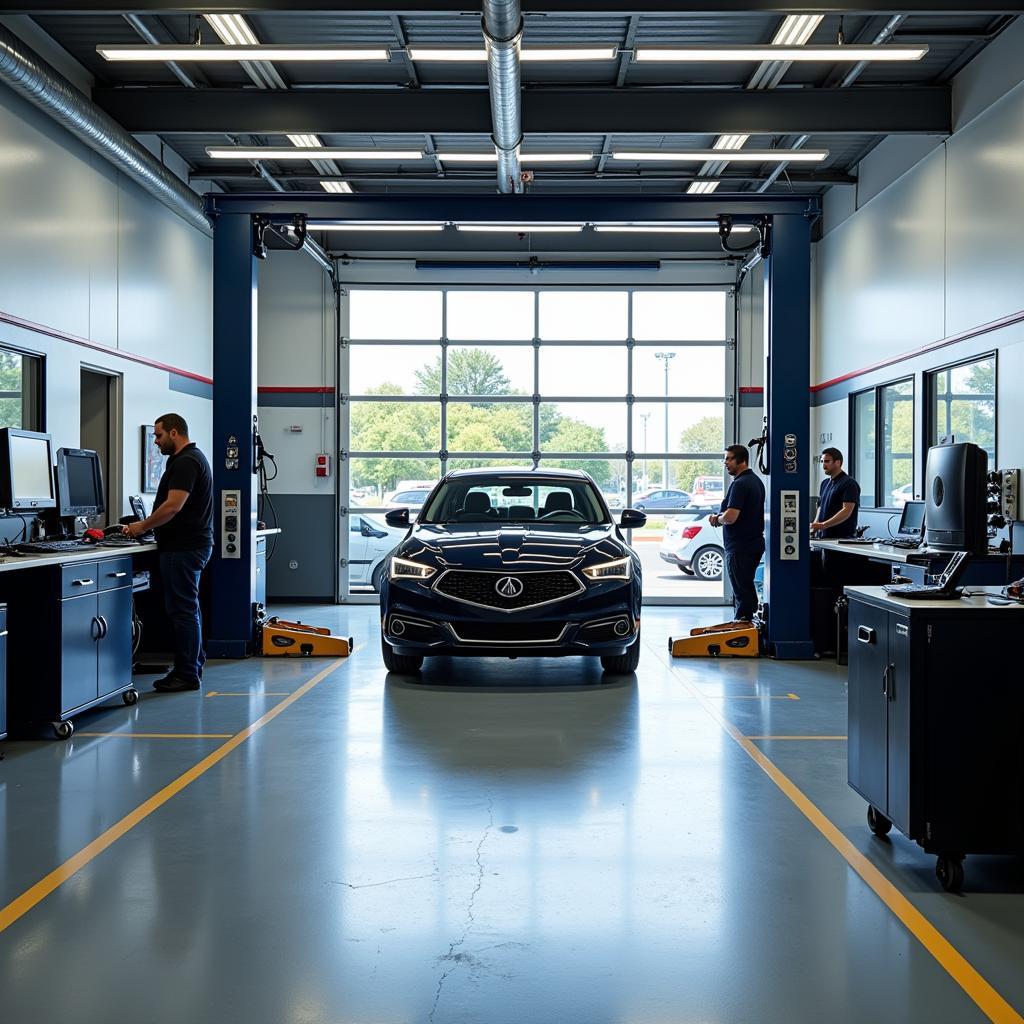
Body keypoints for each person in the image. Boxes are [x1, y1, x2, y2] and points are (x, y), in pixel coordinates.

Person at [124, 413, 214, 692]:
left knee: (183, 611)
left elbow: (174, 505)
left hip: (183, 548)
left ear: (175, 433)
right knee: (189, 608)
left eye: (159, 435)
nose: (156, 441)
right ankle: (193, 664)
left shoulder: (187, 461)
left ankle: (187, 674)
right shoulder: (189, 459)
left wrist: (141, 526)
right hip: (190, 546)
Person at [709, 444, 765, 626]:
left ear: (741, 460)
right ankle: (746, 624)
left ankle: (743, 627)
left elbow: (731, 516)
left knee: (742, 589)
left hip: (741, 546)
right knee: (746, 586)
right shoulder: (756, 481)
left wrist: (717, 519)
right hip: (752, 544)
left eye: (729, 458)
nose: (725, 462)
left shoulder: (741, 484)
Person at [809, 447, 860, 539]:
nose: (824, 465)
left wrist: (824, 525)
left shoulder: (849, 483)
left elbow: (846, 510)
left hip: (842, 538)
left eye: (827, 461)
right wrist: (815, 528)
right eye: (822, 461)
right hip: (824, 537)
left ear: (838, 462)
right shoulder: (824, 483)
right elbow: (820, 507)